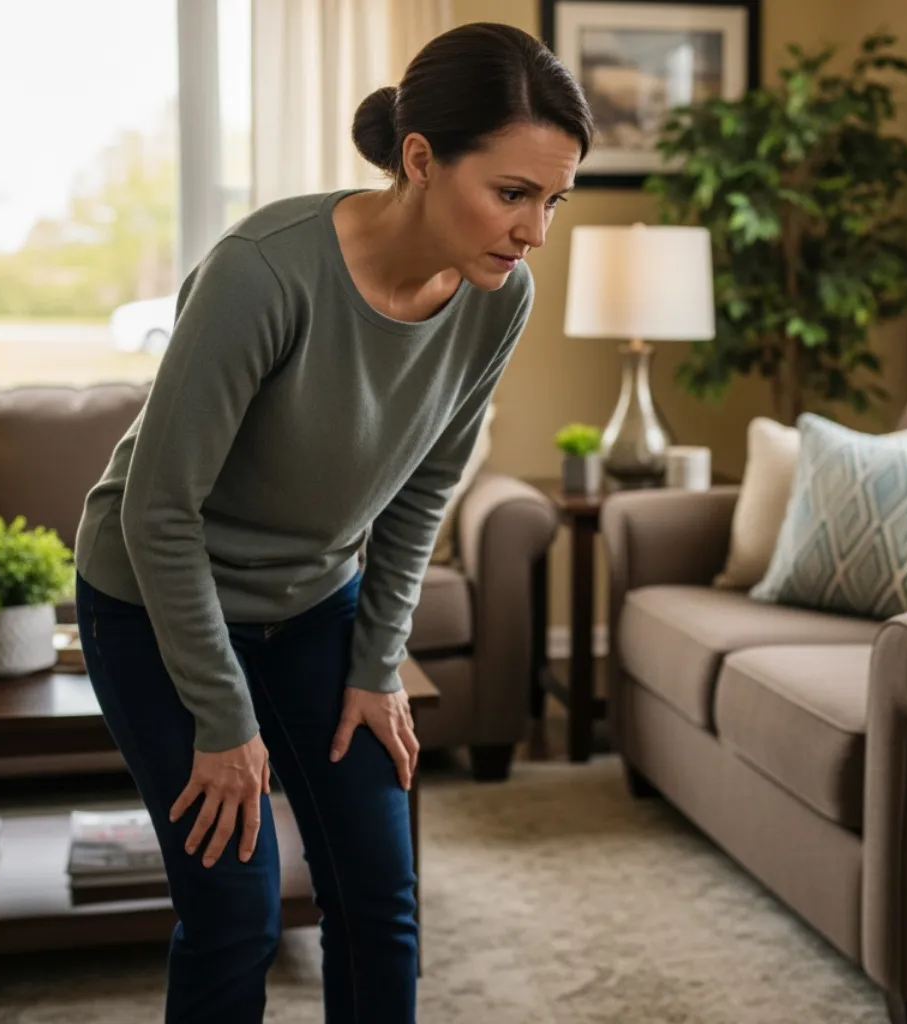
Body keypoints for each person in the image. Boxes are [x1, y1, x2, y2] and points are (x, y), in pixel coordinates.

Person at [70, 21, 592, 1024]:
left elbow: (423, 489)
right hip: (155, 598)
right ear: (420, 159)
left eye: (553, 201)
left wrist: (376, 663)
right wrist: (224, 720)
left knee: (379, 898)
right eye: (512, 193)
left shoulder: (499, 296)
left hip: (315, 602)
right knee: (236, 913)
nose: (534, 231)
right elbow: (159, 509)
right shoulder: (263, 271)